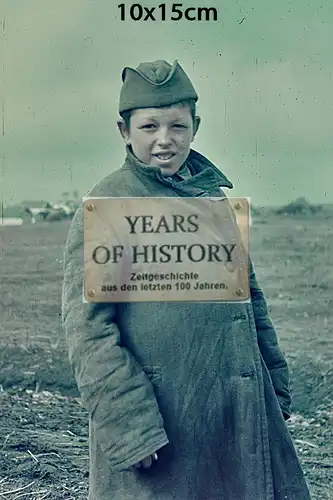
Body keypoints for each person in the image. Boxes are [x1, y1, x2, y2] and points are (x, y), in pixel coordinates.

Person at [61, 59, 311, 500]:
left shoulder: (213, 201)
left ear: (195, 126)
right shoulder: (107, 204)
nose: (164, 139)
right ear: (124, 131)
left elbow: (249, 302)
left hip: (235, 416)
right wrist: (129, 427)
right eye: (149, 126)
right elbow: (89, 332)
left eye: (178, 125)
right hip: (162, 427)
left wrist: (274, 387)